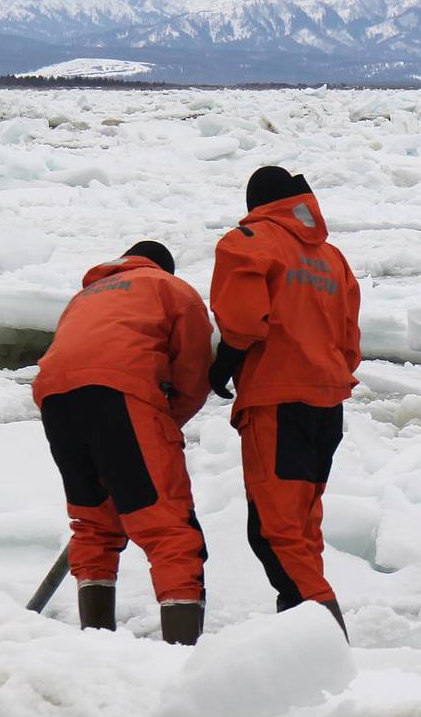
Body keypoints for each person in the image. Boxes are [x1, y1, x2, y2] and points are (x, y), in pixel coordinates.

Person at [33, 241, 212, 643]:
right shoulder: (170, 288)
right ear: (164, 267)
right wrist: (164, 425)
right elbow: (193, 370)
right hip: (120, 393)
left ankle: (97, 642)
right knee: (169, 527)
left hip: (55, 399)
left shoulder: (84, 297)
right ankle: (181, 656)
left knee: (93, 523)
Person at [209, 166, 360, 638]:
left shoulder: (248, 241)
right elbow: (349, 342)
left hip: (278, 402)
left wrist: (220, 366)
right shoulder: (332, 259)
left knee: (276, 532)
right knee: (301, 527)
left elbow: (243, 322)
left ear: (256, 203)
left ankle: (326, 638)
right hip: (326, 405)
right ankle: (296, 634)